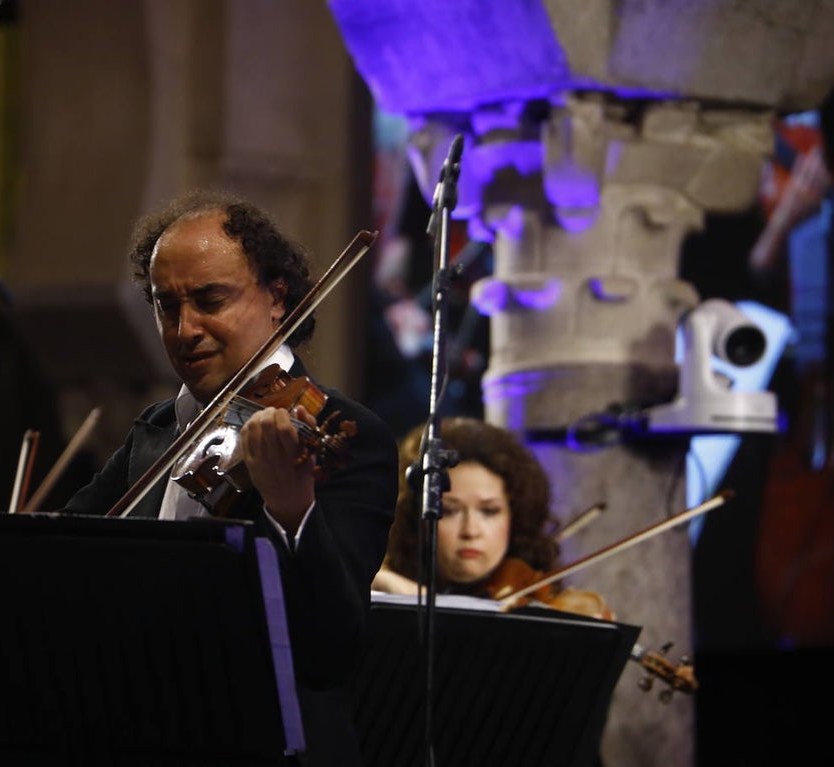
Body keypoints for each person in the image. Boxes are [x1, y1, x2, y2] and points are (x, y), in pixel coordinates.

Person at [62, 189, 399, 767]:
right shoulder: (158, 429)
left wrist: (292, 510)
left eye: (209, 299)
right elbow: (65, 548)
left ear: (277, 298)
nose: (184, 329)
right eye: (166, 305)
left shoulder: (343, 433)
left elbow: (329, 648)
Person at [372, 416, 560, 600]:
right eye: (449, 511)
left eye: (489, 511)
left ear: (515, 515)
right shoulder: (380, 588)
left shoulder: (536, 598)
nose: (470, 531)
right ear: (414, 515)